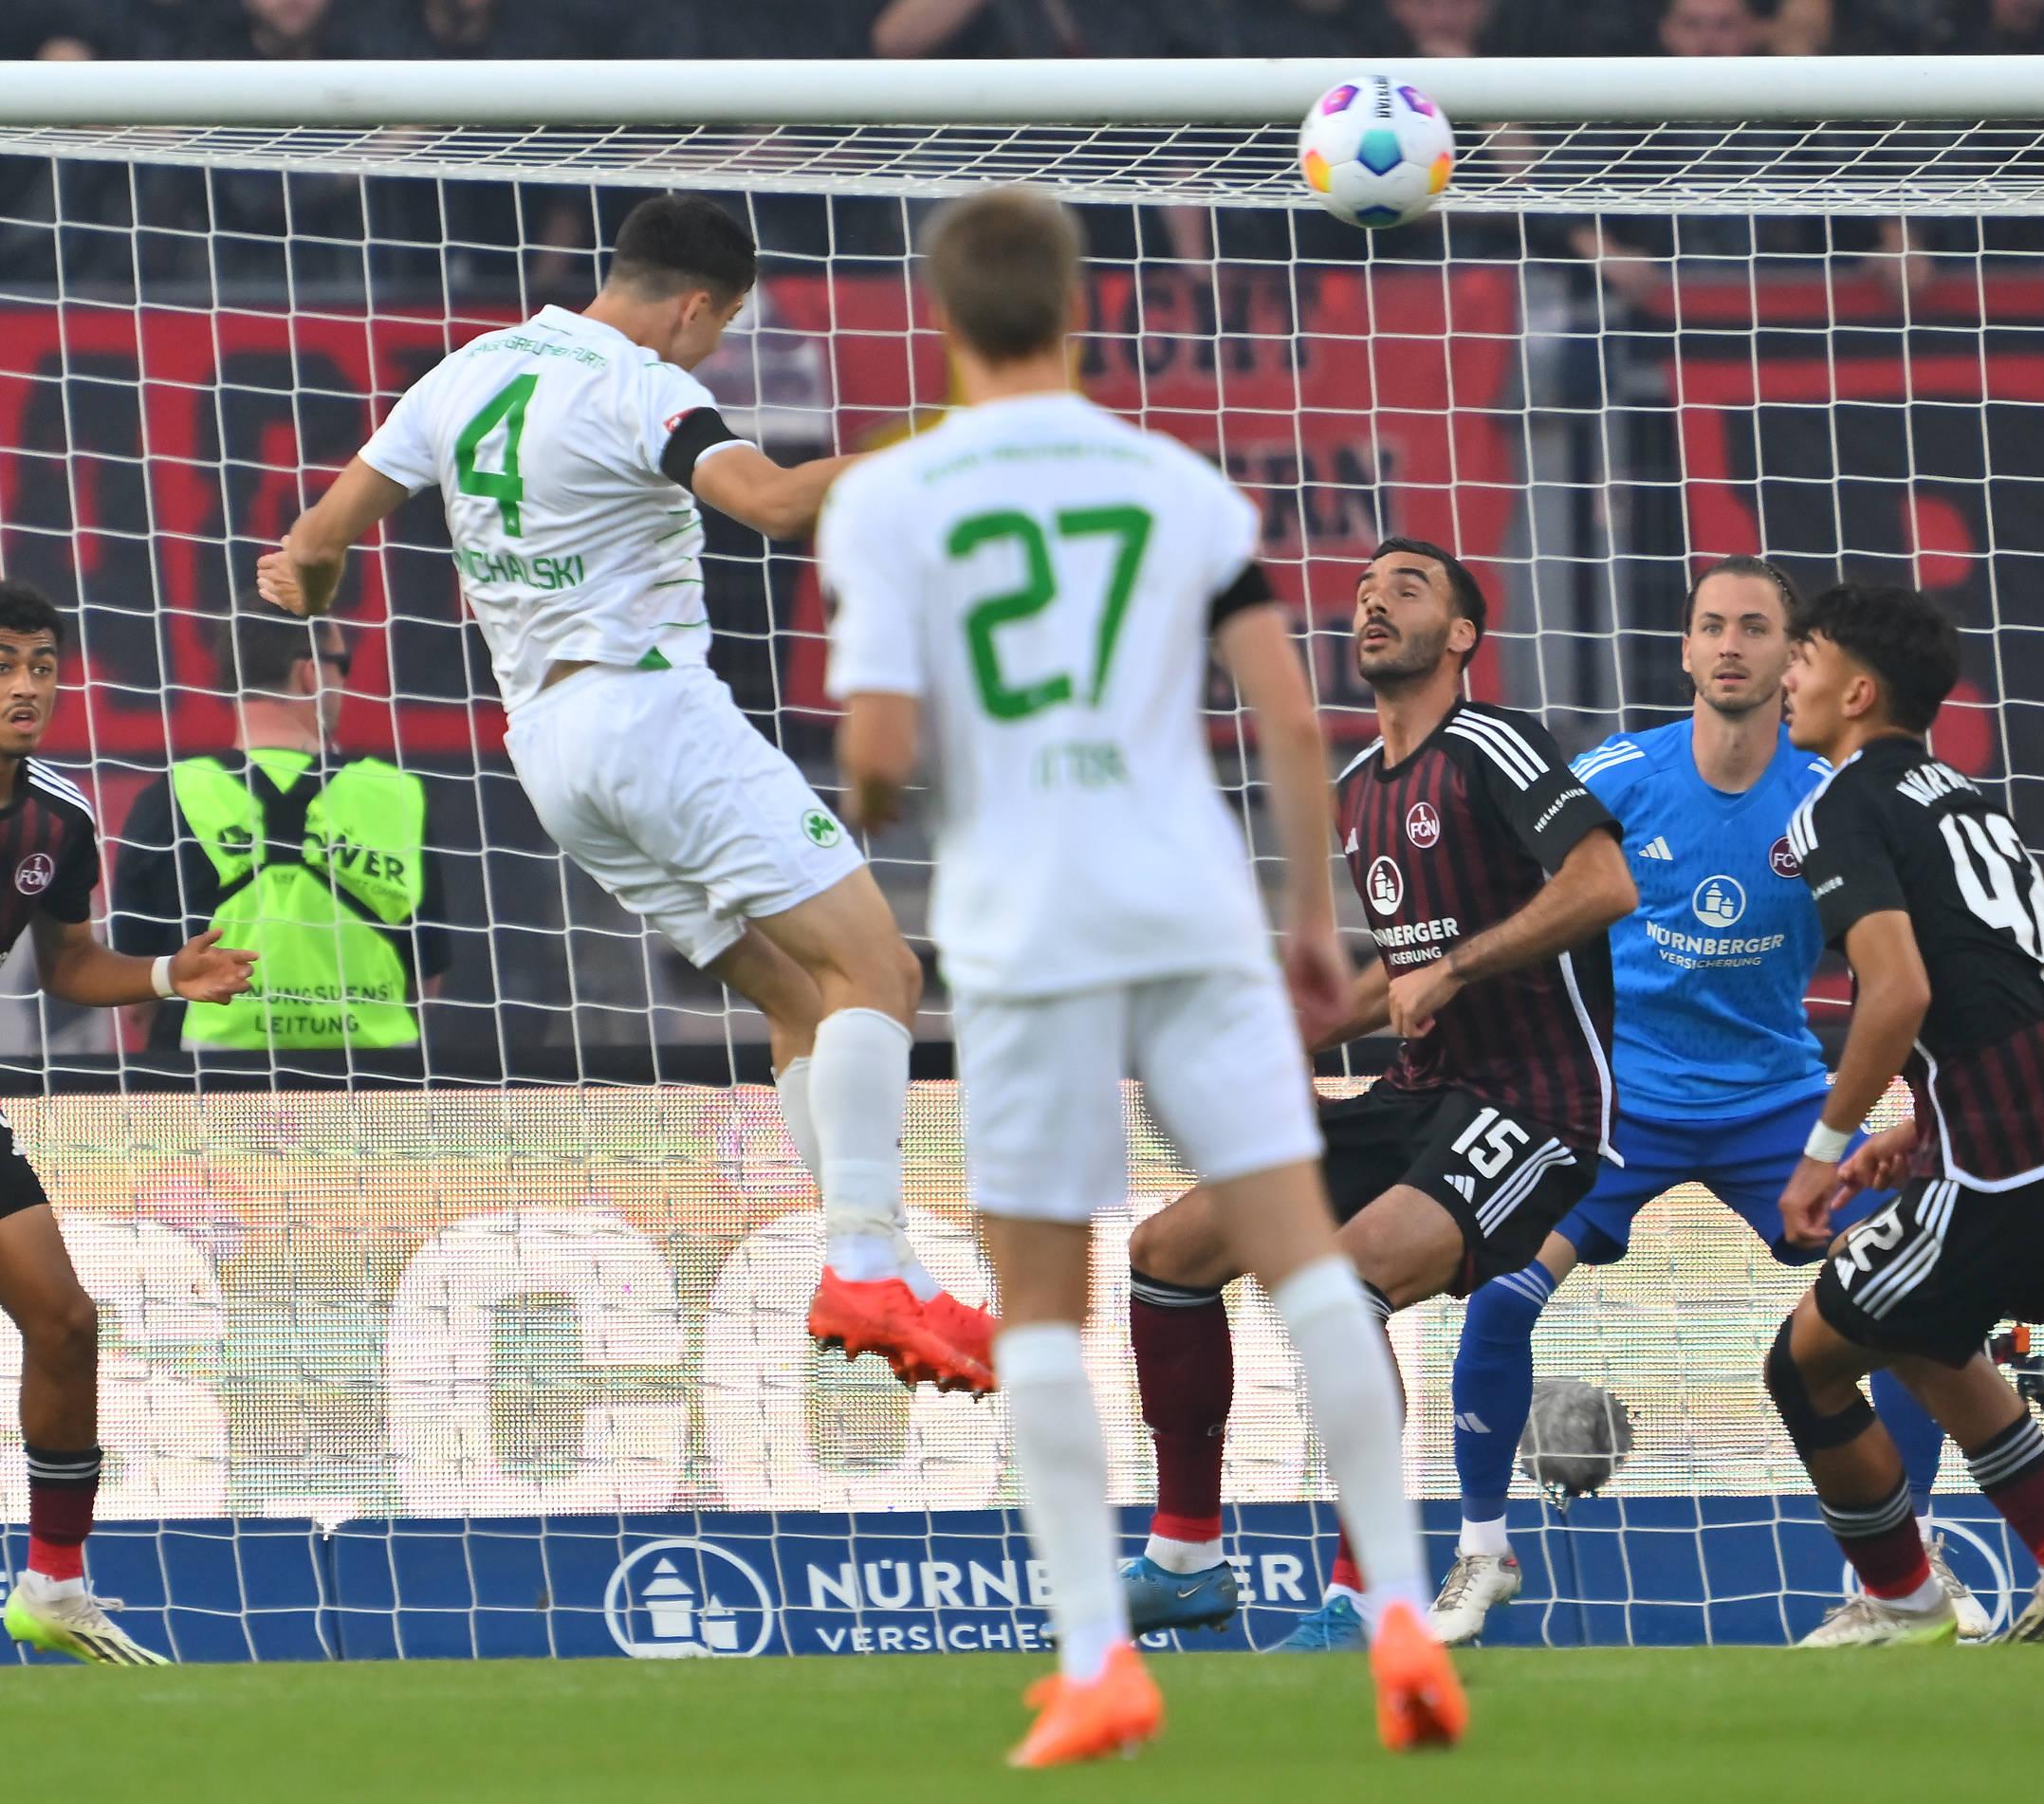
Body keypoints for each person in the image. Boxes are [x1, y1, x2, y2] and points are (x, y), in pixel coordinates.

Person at [819, 189, 1461, 1766]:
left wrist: (893, 780)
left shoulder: (890, 499)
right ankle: (1396, 1609)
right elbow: (1293, 722)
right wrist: (1310, 925)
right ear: (1078, 312)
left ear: (944, 320)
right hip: (1191, 907)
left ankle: (1100, 1658)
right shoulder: (1179, 487)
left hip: (1030, 930)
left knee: (1044, 1307)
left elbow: (880, 755)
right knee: (1304, 1263)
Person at [254, 193, 994, 1393]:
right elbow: (776, 504)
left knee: (799, 994)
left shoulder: (465, 373)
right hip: (655, 719)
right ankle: (865, 1265)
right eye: (723, 327)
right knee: (881, 973)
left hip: (549, 753)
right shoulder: (638, 387)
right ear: (697, 305)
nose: (713, 348)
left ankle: (885, 1275)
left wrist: (311, 584)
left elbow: (315, 541)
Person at [1428, 556, 1977, 1647]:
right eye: (1711, 626)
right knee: (1497, 1296)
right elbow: (1513, 902)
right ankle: (1481, 1553)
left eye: (1755, 628)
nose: (1730, 644)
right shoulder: (1616, 776)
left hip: (1775, 1103)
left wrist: (1926, 1109)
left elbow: (1906, 967)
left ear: (1793, 659)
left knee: (1912, 1301)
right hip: (1614, 1105)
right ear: (1683, 651)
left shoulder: (1830, 799)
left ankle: (1901, 1571)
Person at [1116, 537, 1637, 1652]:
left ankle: (1369, 1600)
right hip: (1417, 1096)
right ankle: (1186, 1557)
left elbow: (1604, 884)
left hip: (1536, 1107)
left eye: (1407, 588)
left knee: (1339, 1286)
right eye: (1363, 591)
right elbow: (1402, 970)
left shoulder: (1494, 743)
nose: (1372, 603)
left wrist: (1456, 969)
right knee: (1167, 1252)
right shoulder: (1359, 791)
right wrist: (1297, 1029)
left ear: (1461, 635)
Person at [1767, 581, 2044, 1648]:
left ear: (1858, 692)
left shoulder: (1837, 806)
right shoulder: (1962, 796)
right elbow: (2006, 990)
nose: (1787, 677)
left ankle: (1903, 1602)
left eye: (1803, 657)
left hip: (2002, 1171)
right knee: (1920, 1334)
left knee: (1803, 1366)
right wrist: (1922, 1129)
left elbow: (1898, 995)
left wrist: (1823, 1151)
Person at [0, 582, 256, 1666]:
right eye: (4, 664)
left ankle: (54, 1586)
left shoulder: (56, 815)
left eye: (42, 666)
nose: (26, 687)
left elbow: (65, 962)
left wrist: (163, 975)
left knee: (64, 1322)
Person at [110, 612, 451, 1054]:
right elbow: (425, 982)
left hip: (212, 1081)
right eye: (342, 666)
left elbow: (135, 994)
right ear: (311, 674)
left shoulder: (168, 798)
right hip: (375, 1082)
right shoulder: (396, 794)